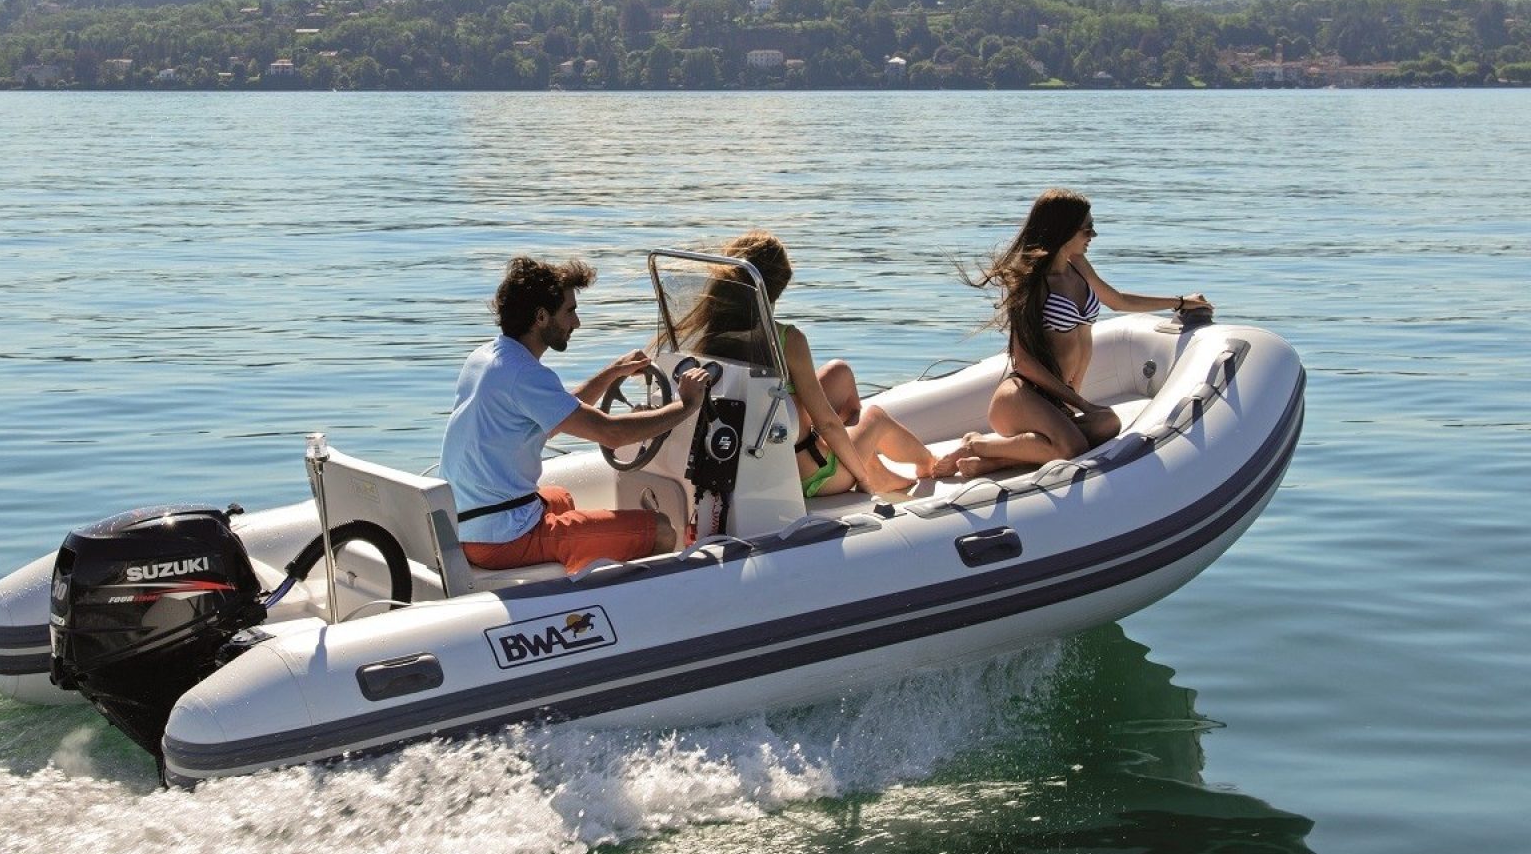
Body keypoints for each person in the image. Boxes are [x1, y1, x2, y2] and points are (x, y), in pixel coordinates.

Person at [440, 255, 709, 574]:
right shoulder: (524, 374)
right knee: (662, 530)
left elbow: (558, 413)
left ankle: (583, 568)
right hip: (504, 537)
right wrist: (685, 405)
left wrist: (611, 373)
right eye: (570, 311)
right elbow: (612, 434)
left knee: (562, 499)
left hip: (472, 523)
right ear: (541, 317)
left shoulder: (487, 358)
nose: (577, 323)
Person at [937, 190, 1212, 479]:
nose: (1093, 234)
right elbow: (1023, 362)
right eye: (1087, 228)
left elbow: (1118, 301)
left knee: (1108, 423)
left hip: (1059, 400)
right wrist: (1081, 403)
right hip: (1023, 396)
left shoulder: (1078, 266)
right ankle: (974, 444)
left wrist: (1180, 302)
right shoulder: (1032, 283)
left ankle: (995, 461)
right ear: (1064, 230)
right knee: (1072, 447)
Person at [686, 231, 936, 499]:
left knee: (839, 373)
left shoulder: (707, 336)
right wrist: (861, 478)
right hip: (813, 477)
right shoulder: (787, 340)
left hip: (756, 464)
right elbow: (827, 424)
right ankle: (929, 464)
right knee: (875, 417)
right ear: (779, 286)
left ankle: (878, 468)